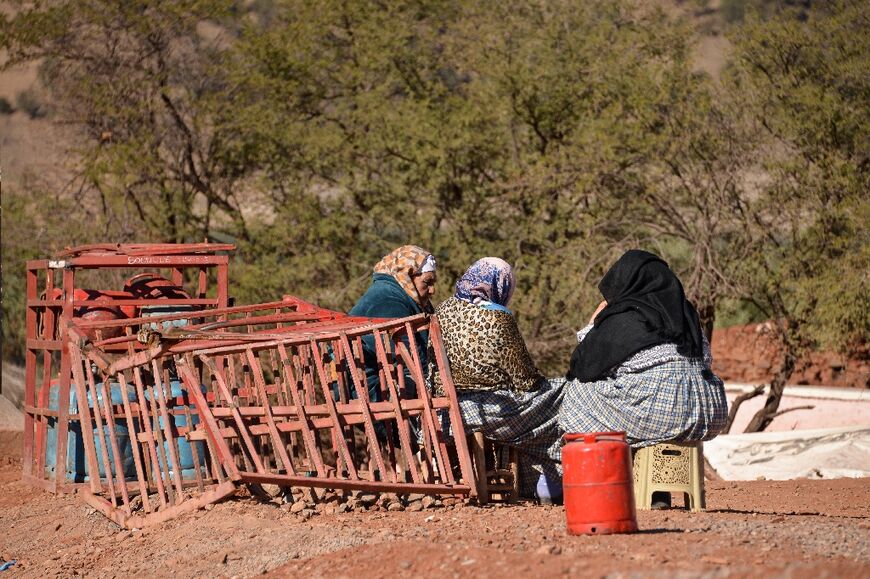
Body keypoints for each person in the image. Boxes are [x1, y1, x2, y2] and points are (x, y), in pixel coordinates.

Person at [559, 249, 728, 450]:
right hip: (710, 411)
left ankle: (604, 471)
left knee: (575, 392)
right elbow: (706, 359)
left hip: (663, 412)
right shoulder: (685, 315)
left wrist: (591, 326)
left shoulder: (626, 317)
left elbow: (583, 366)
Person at [432, 257, 566, 502]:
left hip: (445, 415)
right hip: (491, 413)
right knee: (562, 395)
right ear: (501, 285)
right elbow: (525, 380)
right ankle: (550, 482)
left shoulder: (440, 311)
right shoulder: (499, 317)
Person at [348, 245, 437, 401]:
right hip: (362, 383)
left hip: (377, 377)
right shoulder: (389, 299)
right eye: (427, 282)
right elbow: (411, 354)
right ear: (407, 275)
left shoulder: (404, 296)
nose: (432, 290)